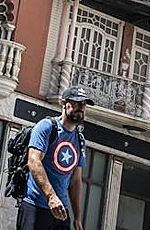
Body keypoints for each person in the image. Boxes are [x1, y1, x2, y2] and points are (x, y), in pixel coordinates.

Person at [19, 85, 90, 230]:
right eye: (76, 103)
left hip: (61, 213)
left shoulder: (80, 140)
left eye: (84, 104)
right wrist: (51, 197)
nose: (81, 107)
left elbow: (76, 181)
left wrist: (77, 218)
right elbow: (34, 161)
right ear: (64, 103)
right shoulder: (46, 127)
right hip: (35, 207)